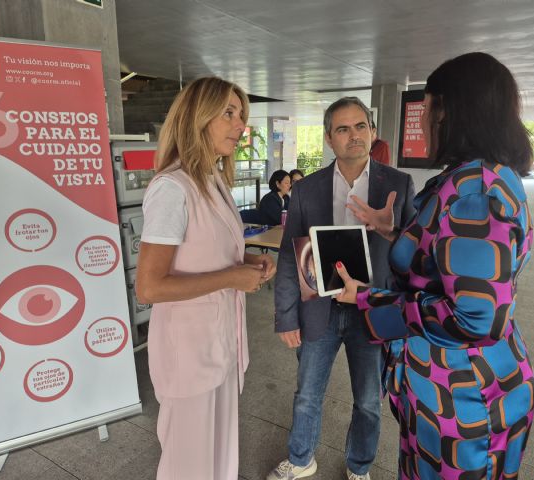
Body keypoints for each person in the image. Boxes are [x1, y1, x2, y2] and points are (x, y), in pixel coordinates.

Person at [335, 52, 534, 479]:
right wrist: (396, 233)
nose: (423, 121)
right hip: (451, 390)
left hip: (464, 400)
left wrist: (371, 300)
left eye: (427, 108)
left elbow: (477, 316)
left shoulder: (475, 192)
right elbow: (448, 259)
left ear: (449, 110)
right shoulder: (482, 176)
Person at [135, 76, 276, 480]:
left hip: (220, 342)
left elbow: (208, 248)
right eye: (229, 113)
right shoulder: (172, 188)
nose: (240, 124)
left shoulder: (213, 180)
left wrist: (248, 260)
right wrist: (232, 277)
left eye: (242, 114)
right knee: (190, 464)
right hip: (190, 351)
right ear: (198, 117)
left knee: (219, 454)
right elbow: (150, 286)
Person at [268, 96, 415, 480]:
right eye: (343, 129)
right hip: (321, 307)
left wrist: (393, 230)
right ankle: (301, 459)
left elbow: (418, 253)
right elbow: (289, 256)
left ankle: (359, 466)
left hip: (372, 308)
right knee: (307, 395)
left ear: (372, 131)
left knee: (368, 400)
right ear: (329, 138)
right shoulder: (306, 190)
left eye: (361, 126)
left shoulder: (397, 185)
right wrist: (286, 316)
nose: (354, 136)